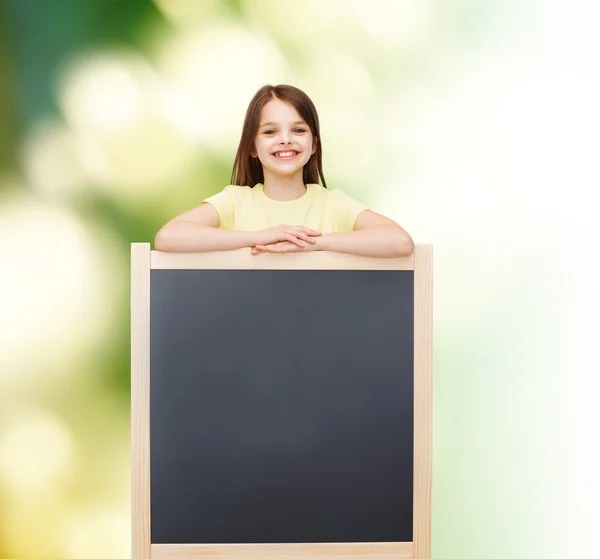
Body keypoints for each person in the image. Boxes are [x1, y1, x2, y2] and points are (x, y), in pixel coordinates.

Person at [154, 84, 414, 258]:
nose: (285, 139)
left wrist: (312, 243)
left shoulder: (332, 204)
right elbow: (168, 237)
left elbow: (400, 242)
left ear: (314, 145)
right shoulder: (234, 201)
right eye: (270, 132)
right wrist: (260, 237)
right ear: (252, 147)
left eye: (298, 130)